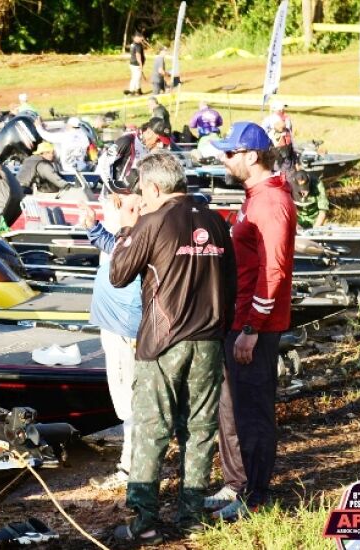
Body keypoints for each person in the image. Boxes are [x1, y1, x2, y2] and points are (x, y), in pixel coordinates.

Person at [109, 151, 235, 543]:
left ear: (155, 187)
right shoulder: (216, 221)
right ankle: (191, 516)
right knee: (199, 429)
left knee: (153, 428)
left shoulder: (152, 220)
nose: (140, 200)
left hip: (164, 342)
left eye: (142, 193)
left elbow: (117, 274)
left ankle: (143, 520)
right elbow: (231, 280)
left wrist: (126, 228)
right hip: (210, 339)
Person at [206, 121, 295, 521]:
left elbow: (273, 271)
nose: (225, 159)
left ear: (252, 156)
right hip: (237, 321)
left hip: (254, 328)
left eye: (231, 153)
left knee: (253, 412)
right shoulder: (253, 195)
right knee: (231, 408)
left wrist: (251, 329)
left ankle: (256, 495)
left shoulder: (271, 202)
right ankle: (235, 482)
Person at [80, 173, 143, 491]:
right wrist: (93, 228)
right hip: (116, 326)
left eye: (123, 197)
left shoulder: (140, 230)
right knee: (127, 401)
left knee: (128, 403)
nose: (116, 202)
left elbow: (126, 263)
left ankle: (130, 470)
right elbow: (115, 249)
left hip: (124, 329)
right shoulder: (129, 232)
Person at [261, 101, 295, 171]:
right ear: (278, 109)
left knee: (277, 167)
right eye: (282, 108)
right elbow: (281, 128)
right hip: (282, 147)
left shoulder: (270, 119)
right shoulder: (276, 118)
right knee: (284, 166)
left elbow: (263, 131)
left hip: (278, 147)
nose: (283, 110)